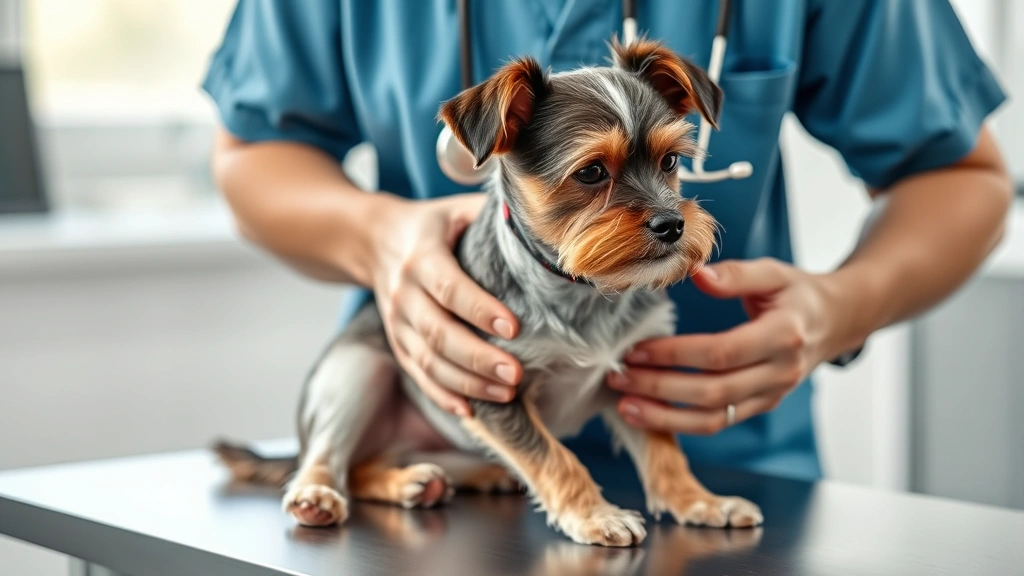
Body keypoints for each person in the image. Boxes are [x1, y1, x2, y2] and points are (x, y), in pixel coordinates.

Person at [202, 0, 1013, 482]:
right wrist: (376, 238)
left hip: (724, 459)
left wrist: (844, 306)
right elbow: (252, 152)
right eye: (594, 175)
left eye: (672, 163)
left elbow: (962, 175)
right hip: (440, 444)